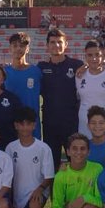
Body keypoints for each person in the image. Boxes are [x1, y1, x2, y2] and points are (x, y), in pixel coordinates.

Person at [35, 133, 102, 208]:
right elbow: (57, 207)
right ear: (68, 152)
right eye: (74, 149)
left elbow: (102, 201)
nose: (79, 152)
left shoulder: (97, 169)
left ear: (88, 152)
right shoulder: (61, 176)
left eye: (83, 149)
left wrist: (83, 199)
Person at [5, 107, 55, 208]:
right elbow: (9, 177)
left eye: (28, 124)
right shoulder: (10, 148)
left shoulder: (43, 148)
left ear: (34, 125)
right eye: (21, 124)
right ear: (16, 126)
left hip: (38, 192)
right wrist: (10, 200)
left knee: (34, 206)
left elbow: (49, 177)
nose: (25, 127)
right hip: (19, 196)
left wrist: (39, 189)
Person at [38, 28, 85, 163]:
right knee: (51, 163)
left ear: (66, 44)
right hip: (50, 124)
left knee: (75, 161)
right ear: (47, 46)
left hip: (71, 123)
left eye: (59, 42)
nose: (56, 45)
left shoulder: (77, 65)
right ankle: (52, 185)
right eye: (52, 42)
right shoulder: (41, 67)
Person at [75, 39, 105, 138]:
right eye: (90, 55)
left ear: (104, 55)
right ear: (85, 56)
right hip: (86, 134)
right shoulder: (79, 76)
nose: (94, 59)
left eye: (97, 55)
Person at [4, 32, 42, 137]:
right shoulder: (4, 72)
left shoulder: (37, 72)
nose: (18, 48)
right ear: (10, 49)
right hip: (11, 121)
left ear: (27, 49)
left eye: (21, 46)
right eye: (15, 45)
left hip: (32, 123)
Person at [84, 105, 105, 171]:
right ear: (88, 126)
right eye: (93, 123)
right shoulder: (83, 146)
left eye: (101, 123)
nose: (97, 126)